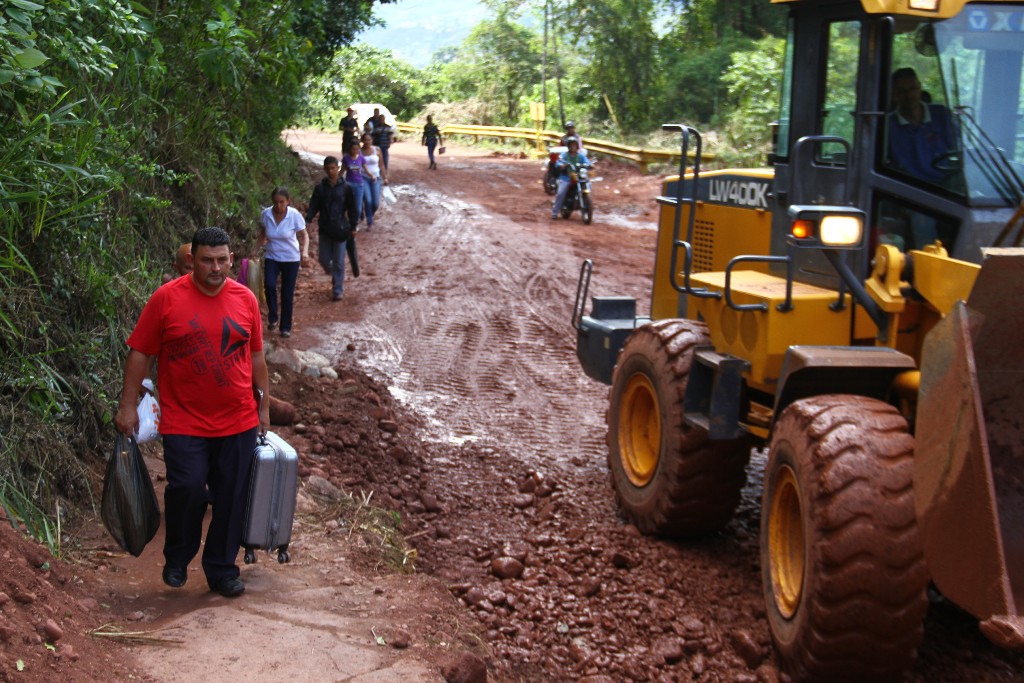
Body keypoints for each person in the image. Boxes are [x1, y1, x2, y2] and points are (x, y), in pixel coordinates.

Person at [114, 227, 270, 598]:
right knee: (186, 488)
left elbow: (256, 355)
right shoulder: (167, 299)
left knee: (231, 496)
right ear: (192, 260)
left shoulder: (245, 299)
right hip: (184, 420)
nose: (215, 268)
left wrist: (263, 406)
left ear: (232, 259)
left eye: (222, 260)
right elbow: (140, 352)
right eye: (207, 260)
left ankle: (221, 569)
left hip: (238, 418)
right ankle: (178, 557)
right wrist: (126, 404)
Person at [887, 67, 958, 185]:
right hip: (906, 189)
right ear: (893, 95)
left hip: (944, 185)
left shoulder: (941, 115)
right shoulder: (887, 125)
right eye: (901, 92)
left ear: (920, 87)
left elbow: (958, 145)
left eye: (912, 89)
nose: (909, 96)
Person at [257, 187, 309, 338]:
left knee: (287, 294)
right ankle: (273, 316)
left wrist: (304, 252)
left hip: (291, 259)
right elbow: (262, 234)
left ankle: (285, 327)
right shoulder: (266, 214)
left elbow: (304, 236)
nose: (278, 206)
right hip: (272, 256)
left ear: (288, 202)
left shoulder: (294, 215)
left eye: (282, 202)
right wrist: (255, 250)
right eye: (275, 203)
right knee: (269, 285)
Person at [305, 156, 357, 301]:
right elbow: (314, 205)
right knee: (323, 259)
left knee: (339, 261)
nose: (330, 171)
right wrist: (308, 219)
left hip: (341, 229)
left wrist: (353, 226)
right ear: (324, 169)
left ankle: (338, 289)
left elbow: (352, 209)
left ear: (338, 168)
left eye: (333, 168)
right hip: (325, 228)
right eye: (328, 168)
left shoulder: (346, 188)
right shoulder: (320, 188)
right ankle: (335, 274)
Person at [551, 138, 590, 219]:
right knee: (561, 193)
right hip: (566, 177)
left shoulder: (580, 156)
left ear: (577, 146)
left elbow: (586, 161)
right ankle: (555, 212)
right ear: (568, 146)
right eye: (571, 145)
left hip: (578, 177)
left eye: (574, 145)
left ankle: (585, 205)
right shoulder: (564, 155)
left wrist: (589, 165)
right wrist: (561, 164)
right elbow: (559, 162)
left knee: (588, 183)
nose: (573, 147)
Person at [360, 133, 387, 231]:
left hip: (376, 177)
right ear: (362, 141)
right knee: (368, 200)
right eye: (365, 140)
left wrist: (385, 177)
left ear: (372, 140)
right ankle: (369, 222)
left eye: (369, 140)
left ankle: (368, 214)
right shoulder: (359, 152)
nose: (367, 142)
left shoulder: (377, 150)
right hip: (363, 177)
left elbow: (382, 165)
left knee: (375, 202)